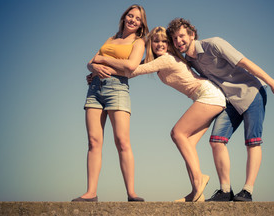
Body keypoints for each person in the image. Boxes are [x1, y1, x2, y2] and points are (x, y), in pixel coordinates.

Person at [93, 26, 226, 202]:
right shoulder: (157, 62)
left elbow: (133, 70)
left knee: (177, 133)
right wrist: (97, 73)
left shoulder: (166, 59)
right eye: (156, 41)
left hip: (209, 95)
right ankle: (196, 193)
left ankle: (198, 179)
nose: (160, 44)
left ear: (169, 44)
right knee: (188, 143)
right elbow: (133, 68)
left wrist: (102, 68)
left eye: (164, 41)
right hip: (207, 97)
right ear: (151, 44)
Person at [166, 18, 274, 202]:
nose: (178, 41)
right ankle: (225, 190)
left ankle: (247, 191)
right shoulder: (190, 61)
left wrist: (272, 82)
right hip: (229, 101)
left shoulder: (214, 44)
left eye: (181, 36)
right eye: (174, 38)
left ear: (191, 34)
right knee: (216, 141)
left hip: (252, 93)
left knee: (252, 142)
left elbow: (245, 63)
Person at [72, 4, 149, 202]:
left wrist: (102, 61)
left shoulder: (139, 42)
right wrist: (95, 65)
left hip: (118, 89)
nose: (132, 20)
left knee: (122, 142)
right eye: (130, 16)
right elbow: (90, 63)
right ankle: (91, 193)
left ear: (141, 24)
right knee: (93, 142)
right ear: (124, 17)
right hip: (94, 89)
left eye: (137, 18)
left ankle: (131, 193)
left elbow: (131, 66)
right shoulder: (111, 38)